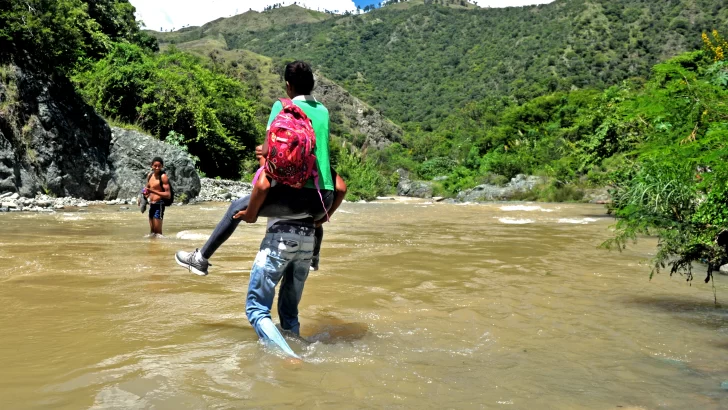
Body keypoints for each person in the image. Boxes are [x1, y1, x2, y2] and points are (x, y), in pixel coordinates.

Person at [175, 61, 346, 275]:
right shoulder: (324, 111)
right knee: (310, 217)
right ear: (312, 84)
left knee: (236, 208)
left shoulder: (282, 106)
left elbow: (269, 150)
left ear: (288, 85)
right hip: (322, 201)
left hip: (290, 197)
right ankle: (312, 258)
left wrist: (261, 151)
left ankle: (200, 259)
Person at [245, 217, 318, 359]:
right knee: (289, 311)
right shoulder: (319, 193)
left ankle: (288, 355)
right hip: (309, 239)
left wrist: (249, 213)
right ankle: (296, 346)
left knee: (256, 310)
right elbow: (340, 193)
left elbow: (261, 193)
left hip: (280, 239)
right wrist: (315, 254)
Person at [144, 157, 171, 236]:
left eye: (159, 166)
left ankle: (160, 247)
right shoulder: (150, 175)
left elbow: (168, 195)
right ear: (151, 166)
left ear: (162, 166)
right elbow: (147, 189)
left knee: (158, 234)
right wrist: (143, 196)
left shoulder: (163, 177)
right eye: (155, 166)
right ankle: (153, 248)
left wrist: (153, 191)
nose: (157, 168)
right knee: (152, 233)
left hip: (159, 205)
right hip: (151, 204)